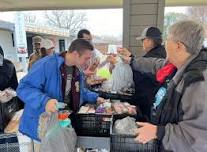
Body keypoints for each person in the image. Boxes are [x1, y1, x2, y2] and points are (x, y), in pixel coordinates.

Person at [119, 20, 207, 151]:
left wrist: (159, 132)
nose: (164, 44)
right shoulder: (177, 65)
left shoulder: (198, 82)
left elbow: (199, 137)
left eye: (168, 40)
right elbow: (155, 65)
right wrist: (131, 60)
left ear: (178, 46)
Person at [17, 39, 105, 141]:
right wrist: (45, 101)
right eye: (86, 58)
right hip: (43, 127)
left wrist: (96, 97)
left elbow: (80, 91)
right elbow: (23, 88)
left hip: (62, 123)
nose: (88, 63)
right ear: (76, 54)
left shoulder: (77, 70)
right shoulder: (47, 64)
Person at [122, 27, 166, 118]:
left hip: (149, 102)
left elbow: (143, 74)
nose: (142, 43)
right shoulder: (161, 52)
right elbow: (143, 65)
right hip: (156, 101)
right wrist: (131, 57)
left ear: (149, 40)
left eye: (143, 40)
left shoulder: (154, 56)